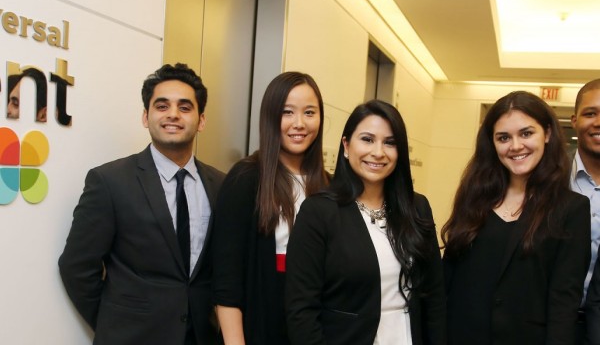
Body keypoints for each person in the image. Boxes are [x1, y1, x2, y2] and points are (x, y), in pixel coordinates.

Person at [58, 63, 225, 345]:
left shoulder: (221, 185)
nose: (173, 114)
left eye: (185, 107)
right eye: (162, 106)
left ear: (202, 120)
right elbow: (76, 266)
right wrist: (113, 325)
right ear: (146, 117)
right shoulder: (110, 182)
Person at [286, 100, 446, 345]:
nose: (378, 152)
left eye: (390, 142)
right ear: (347, 145)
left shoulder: (417, 208)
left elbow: (434, 295)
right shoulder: (319, 212)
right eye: (367, 139)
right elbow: (301, 310)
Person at [442, 90, 591, 345]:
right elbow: (448, 279)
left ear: (547, 134)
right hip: (460, 335)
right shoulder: (474, 197)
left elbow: (563, 301)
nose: (516, 146)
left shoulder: (571, 208)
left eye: (526, 133)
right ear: (492, 143)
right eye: (503, 137)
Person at [211, 71, 329, 344]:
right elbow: (226, 279)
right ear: (270, 116)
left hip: (311, 331)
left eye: (309, 112)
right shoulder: (246, 177)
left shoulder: (329, 186)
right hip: (259, 327)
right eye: (287, 112)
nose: (299, 123)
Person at [571, 79, 600, 344]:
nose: (598, 122)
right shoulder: (548, 182)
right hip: (552, 326)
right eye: (590, 113)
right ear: (574, 120)